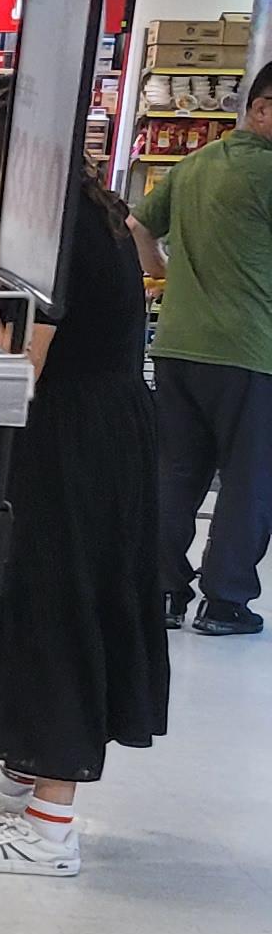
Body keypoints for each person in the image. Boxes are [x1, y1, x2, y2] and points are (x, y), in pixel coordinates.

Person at [0, 81, 169, 874]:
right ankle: (26, 775)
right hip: (100, 430)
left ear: (19, 163)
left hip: (77, 438)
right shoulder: (90, 213)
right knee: (44, 596)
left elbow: (21, 370)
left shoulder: (57, 231)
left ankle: (49, 828)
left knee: (58, 602)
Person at [134, 60, 272, 634]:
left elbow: (139, 227)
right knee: (250, 481)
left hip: (177, 346)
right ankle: (224, 601)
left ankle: (163, 591)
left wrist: (166, 274)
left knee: (175, 473)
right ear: (261, 108)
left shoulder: (194, 164)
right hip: (250, 351)